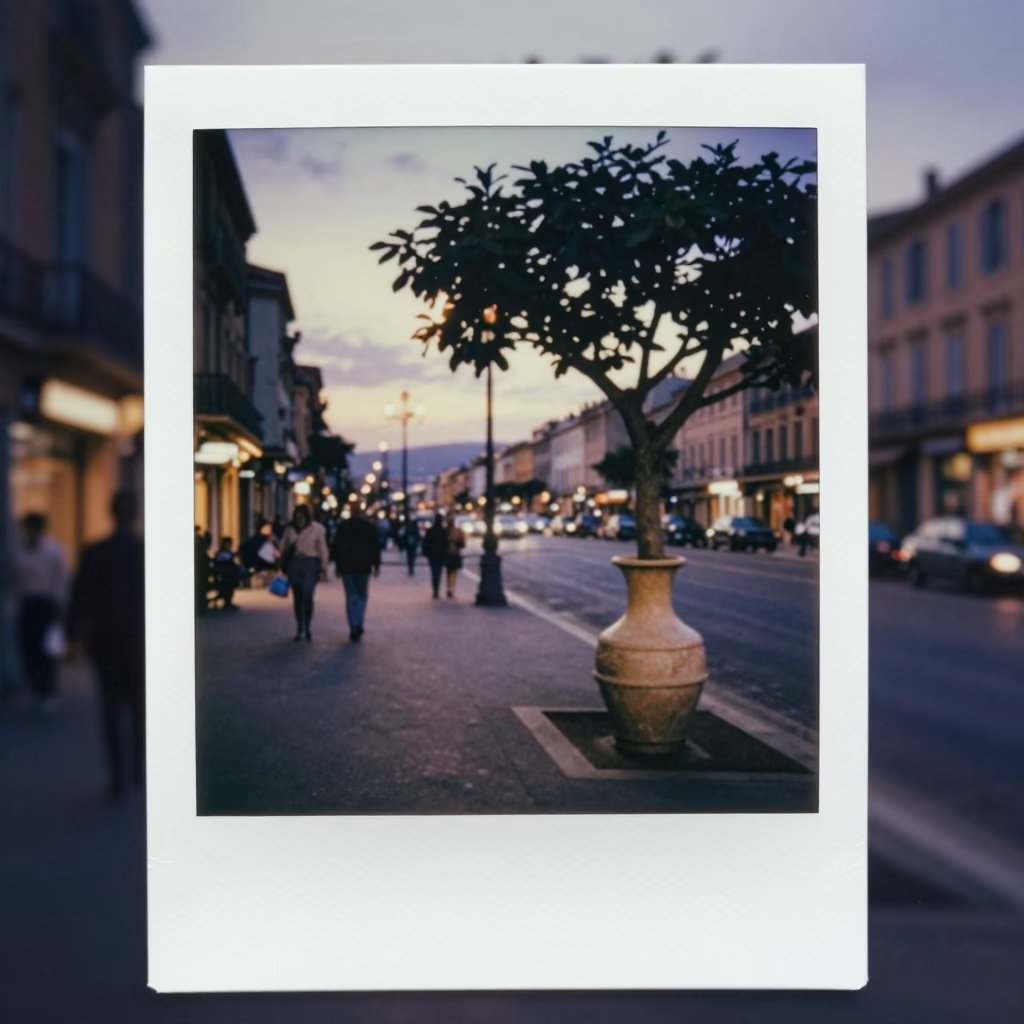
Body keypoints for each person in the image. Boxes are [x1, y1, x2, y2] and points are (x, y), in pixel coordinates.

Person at [68, 491, 145, 799]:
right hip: (140, 642)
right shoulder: (145, 552)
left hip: (106, 643)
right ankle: (137, 768)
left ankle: (118, 775)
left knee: (110, 709)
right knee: (139, 708)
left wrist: (73, 637)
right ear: (135, 513)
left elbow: (79, 597)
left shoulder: (95, 552)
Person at [13, 513, 69, 710]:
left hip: (46, 604)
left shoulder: (53, 550)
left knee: (47, 651)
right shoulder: (18, 550)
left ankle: (47, 690)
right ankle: (35, 689)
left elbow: (60, 579)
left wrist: (61, 607)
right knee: (28, 649)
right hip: (27, 604)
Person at [330, 507, 381, 641]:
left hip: (347, 566)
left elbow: (337, 547)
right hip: (364, 566)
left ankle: (353, 624)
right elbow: (375, 546)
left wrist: (337, 566)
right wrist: (376, 565)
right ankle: (358, 622)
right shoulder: (368, 527)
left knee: (350, 597)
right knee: (362, 596)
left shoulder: (344, 526)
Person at [280, 505, 329, 642]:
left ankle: (307, 626)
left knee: (307, 595)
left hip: (310, 563)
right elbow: (282, 547)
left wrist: (324, 566)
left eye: (302, 516)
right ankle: (300, 627)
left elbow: (322, 548)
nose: (299, 518)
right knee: (297, 596)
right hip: (295, 564)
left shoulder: (317, 529)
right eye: (297, 515)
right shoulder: (290, 529)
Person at [422, 513, 448, 600]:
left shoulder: (431, 530)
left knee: (434, 572)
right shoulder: (443, 531)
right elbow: (446, 544)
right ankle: (436, 590)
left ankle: (435, 590)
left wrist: (426, 552)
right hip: (440, 555)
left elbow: (426, 542)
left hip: (433, 555)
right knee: (438, 572)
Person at [212, 537, 242, 609]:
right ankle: (227, 603)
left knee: (230, 587)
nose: (229, 545)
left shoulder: (227, 553)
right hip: (224, 576)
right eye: (228, 544)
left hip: (228, 576)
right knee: (228, 587)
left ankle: (228, 602)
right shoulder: (222, 553)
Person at [444, 516, 466, 599]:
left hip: (448, 554)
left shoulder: (446, 531)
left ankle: (449, 587)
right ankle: (451, 588)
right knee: (454, 572)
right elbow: (463, 543)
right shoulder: (458, 531)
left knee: (449, 572)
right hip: (455, 554)